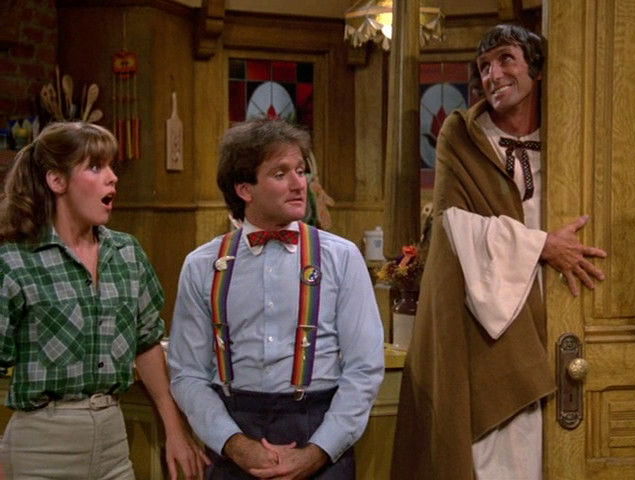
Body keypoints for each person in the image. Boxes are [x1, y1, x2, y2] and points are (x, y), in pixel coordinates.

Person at [391, 24, 607, 480]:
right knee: (498, 450)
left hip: (565, 302)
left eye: (507, 59)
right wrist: (542, 245)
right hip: (487, 310)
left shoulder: (571, 134)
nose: (494, 74)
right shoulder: (463, 134)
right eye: (485, 66)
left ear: (537, 69)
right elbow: (453, 225)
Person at [169, 117, 385, 479]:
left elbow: (364, 369)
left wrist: (318, 451)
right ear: (245, 189)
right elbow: (187, 373)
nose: (299, 183)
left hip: (319, 428)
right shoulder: (202, 265)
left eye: (300, 170)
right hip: (234, 431)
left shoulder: (342, 257)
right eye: (280, 173)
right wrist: (234, 444)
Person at [0, 122, 209, 479]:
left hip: (113, 440)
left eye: (111, 166)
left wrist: (174, 429)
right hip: (41, 446)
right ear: (57, 181)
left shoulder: (126, 252)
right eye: (95, 167)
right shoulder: (16, 260)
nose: (112, 177)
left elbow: (146, 342)